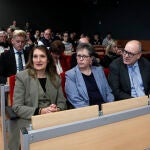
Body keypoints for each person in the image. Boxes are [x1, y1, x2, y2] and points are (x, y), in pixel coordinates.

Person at [8, 45, 67, 150]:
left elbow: (62, 102)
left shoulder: (56, 78)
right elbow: (17, 107)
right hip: (28, 120)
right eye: (35, 56)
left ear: (48, 60)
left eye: (42, 56)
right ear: (31, 60)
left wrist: (56, 109)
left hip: (52, 119)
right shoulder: (22, 77)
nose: (38, 60)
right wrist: (41, 111)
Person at [65, 43, 114, 109]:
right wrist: (94, 111)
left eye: (84, 56)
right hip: (86, 112)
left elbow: (108, 92)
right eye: (79, 56)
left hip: (105, 108)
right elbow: (75, 100)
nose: (81, 59)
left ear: (91, 59)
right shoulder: (70, 75)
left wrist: (109, 106)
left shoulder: (99, 71)